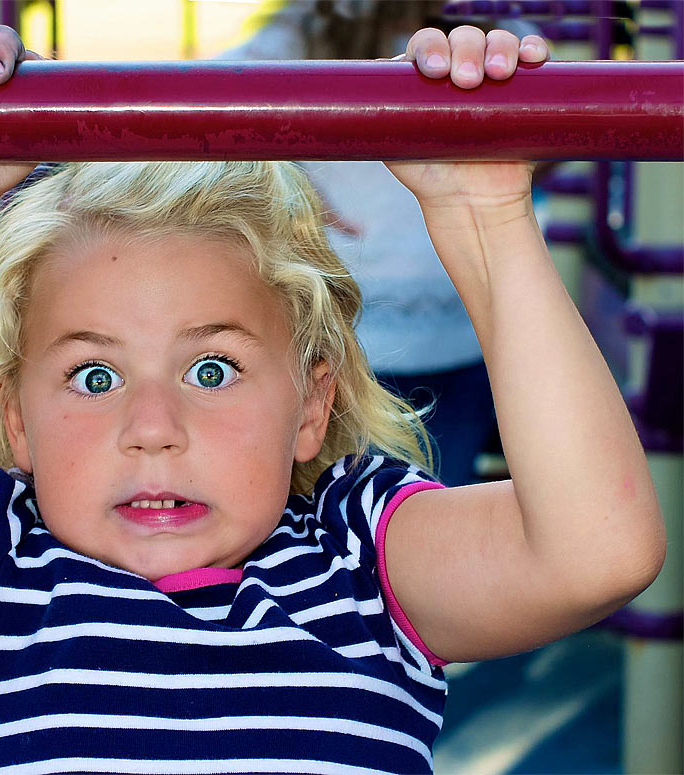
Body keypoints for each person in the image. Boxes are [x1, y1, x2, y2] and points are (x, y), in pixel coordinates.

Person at [0, 21, 665, 775]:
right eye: (94, 376)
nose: (152, 430)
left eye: (211, 369)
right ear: (16, 418)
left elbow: (597, 551)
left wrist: (485, 217)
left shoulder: (362, 561)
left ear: (308, 404)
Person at [219, 0, 543, 486]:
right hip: (348, 333)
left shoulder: (496, 37)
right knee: (337, 507)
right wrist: (293, 184)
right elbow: (215, 106)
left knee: (435, 504)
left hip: (459, 330)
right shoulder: (302, 36)